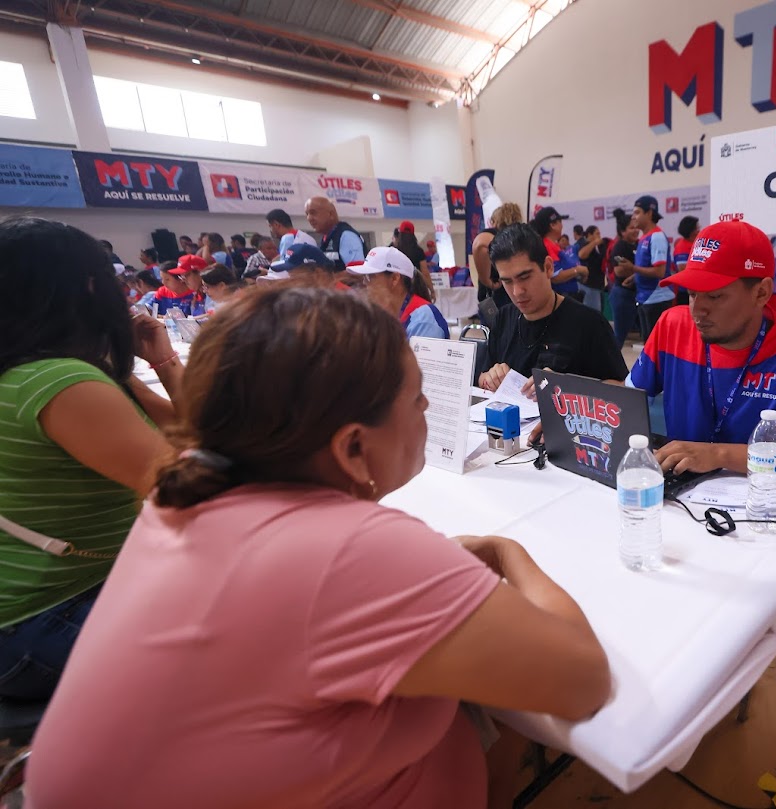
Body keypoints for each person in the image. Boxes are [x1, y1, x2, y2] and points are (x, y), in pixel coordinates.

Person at [27, 285, 610, 809]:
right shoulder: (352, 554)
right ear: (353, 448)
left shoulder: (185, 492)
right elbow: (582, 681)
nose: (429, 409)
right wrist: (506, 554)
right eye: (416, 399)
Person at [0, 217, 178, 719]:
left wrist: (162, 360)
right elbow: (191, 483)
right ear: (86, 288)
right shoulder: (63, 381)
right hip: (44, 621)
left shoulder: (47, 369)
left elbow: (195, 429)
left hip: (46, 606)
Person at [627, 219, 776, 485]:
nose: (698, 310)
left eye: (714, 296)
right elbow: (626, 401)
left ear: (761, 292)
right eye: (692, 294)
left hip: (765, 500)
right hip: (680, 497)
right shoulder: (672, 326)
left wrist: (719, 455)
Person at [477, 224, 627, 392]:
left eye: (525, 277)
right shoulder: (503, 318)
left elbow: (623, 388)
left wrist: (570, 388)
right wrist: (491, 378)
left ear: (548, 268)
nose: (517, 291)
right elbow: (482, 376)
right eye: (507, 281)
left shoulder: (589, 323)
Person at [348, 245, 449, 339]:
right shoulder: (386, 316)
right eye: (364, 277)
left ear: (394, 279)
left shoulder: (423, 321)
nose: (364, 283)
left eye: (370, 276)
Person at [624, 195, 674, 341]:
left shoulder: (656, 237)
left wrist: (633, 268)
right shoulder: (644, 238)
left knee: (657, 345)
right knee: (649, 344)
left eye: (637, 212)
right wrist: (634, 277)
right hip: (645, 298)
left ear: (649, 213)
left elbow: (659, 271)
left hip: (657, 299)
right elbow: (647, 266)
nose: (633, 217)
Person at [472, 202, 524, 310]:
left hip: (498, 294)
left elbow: (480, 246)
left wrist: (486, 281)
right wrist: (487, 281)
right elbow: (480, 246)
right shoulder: (517, 237)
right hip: (507, 293)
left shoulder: (495, 234)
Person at [530, 206, 587, 301]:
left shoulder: (553, 245)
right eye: (560, 221)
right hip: (561, 298)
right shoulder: (547, 246)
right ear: (552, 225)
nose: (562, 225)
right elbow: (555, 276)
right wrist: (578, 270)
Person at [305, 196, 365, 273]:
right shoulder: (327, 237)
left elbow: (357, 273)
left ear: (331, 214)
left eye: (313, 213)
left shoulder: (346, 236)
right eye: (307, 214)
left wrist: (326, 279)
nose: (309, 218)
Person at [607, 209, 640, 347]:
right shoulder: (620, 246)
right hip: (622, 295)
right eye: (631, 228)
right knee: (619, 336)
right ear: (622, 231)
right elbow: (619, 271)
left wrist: (635, 271)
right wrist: (638, 271)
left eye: (636, 227)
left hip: (635, 295)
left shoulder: (638, 244)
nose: (636, 230)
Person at [393, 222, 436, 302]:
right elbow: (425, 272)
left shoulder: (395, 251)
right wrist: (432, 290)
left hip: (399, 289)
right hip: (416, 288)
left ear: (400, 234)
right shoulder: (418, 251)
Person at [575, 224, 608, 313]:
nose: (599, 236)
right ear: (589, 235)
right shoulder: (584, 245)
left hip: (599, 285)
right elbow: (582, 255)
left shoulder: (600, 247)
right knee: (592, 313)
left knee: (599, 313)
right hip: (589, 285)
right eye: (597, 233)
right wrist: (594, 242)